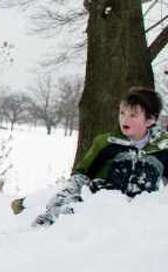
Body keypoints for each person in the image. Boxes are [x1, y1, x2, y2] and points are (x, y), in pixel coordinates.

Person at [34, 86, 168, 226]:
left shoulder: (163, 148)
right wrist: (56, 209)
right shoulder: (106, 143)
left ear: (150, 120)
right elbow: (80, 177)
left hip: (137, 218)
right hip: (100, 211)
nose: (124, 119)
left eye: (133, 115)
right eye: (122, 113)